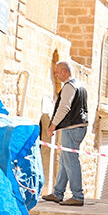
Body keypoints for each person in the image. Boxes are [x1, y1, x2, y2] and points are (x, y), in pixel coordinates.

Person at [42, 60, 89, 206]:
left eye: (57, 72)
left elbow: (64, 108)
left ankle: (77, 196)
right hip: (78, 127)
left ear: (64, 71)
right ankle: (58, 193)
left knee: (70, 161)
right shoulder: (80, 86)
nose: (55, 75)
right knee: (64, 160)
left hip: (72, 128)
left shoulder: (69, 87)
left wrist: (52, 126)